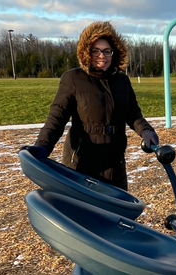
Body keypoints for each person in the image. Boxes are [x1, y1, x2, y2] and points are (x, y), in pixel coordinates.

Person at [19, 21, 159, 191]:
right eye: (96, 51)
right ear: (87, 53)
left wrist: (145, 130)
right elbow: (57, 117)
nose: (102, 56)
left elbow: (133, 113)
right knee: (83, 213)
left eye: (107, 51)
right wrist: (42, 145)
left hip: (115, 163)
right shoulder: (73, 79)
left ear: (114, 53)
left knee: (115, 213)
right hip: (81, 163)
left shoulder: (122, 81)